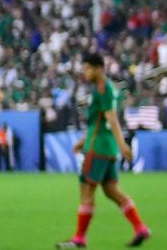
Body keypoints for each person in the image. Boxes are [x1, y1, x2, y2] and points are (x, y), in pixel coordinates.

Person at [57, 53, 150, 248]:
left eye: (87, 68)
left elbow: (112, 119)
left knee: (86, 190)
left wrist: (123, 144)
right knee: (111, 190)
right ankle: (140, 228)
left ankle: (79, 239)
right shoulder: (107, 88)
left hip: (97, 149)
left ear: (99, 68)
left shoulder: (102, 88)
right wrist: (83, 140)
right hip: (106, 147)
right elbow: (98, 122)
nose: (84, 72)